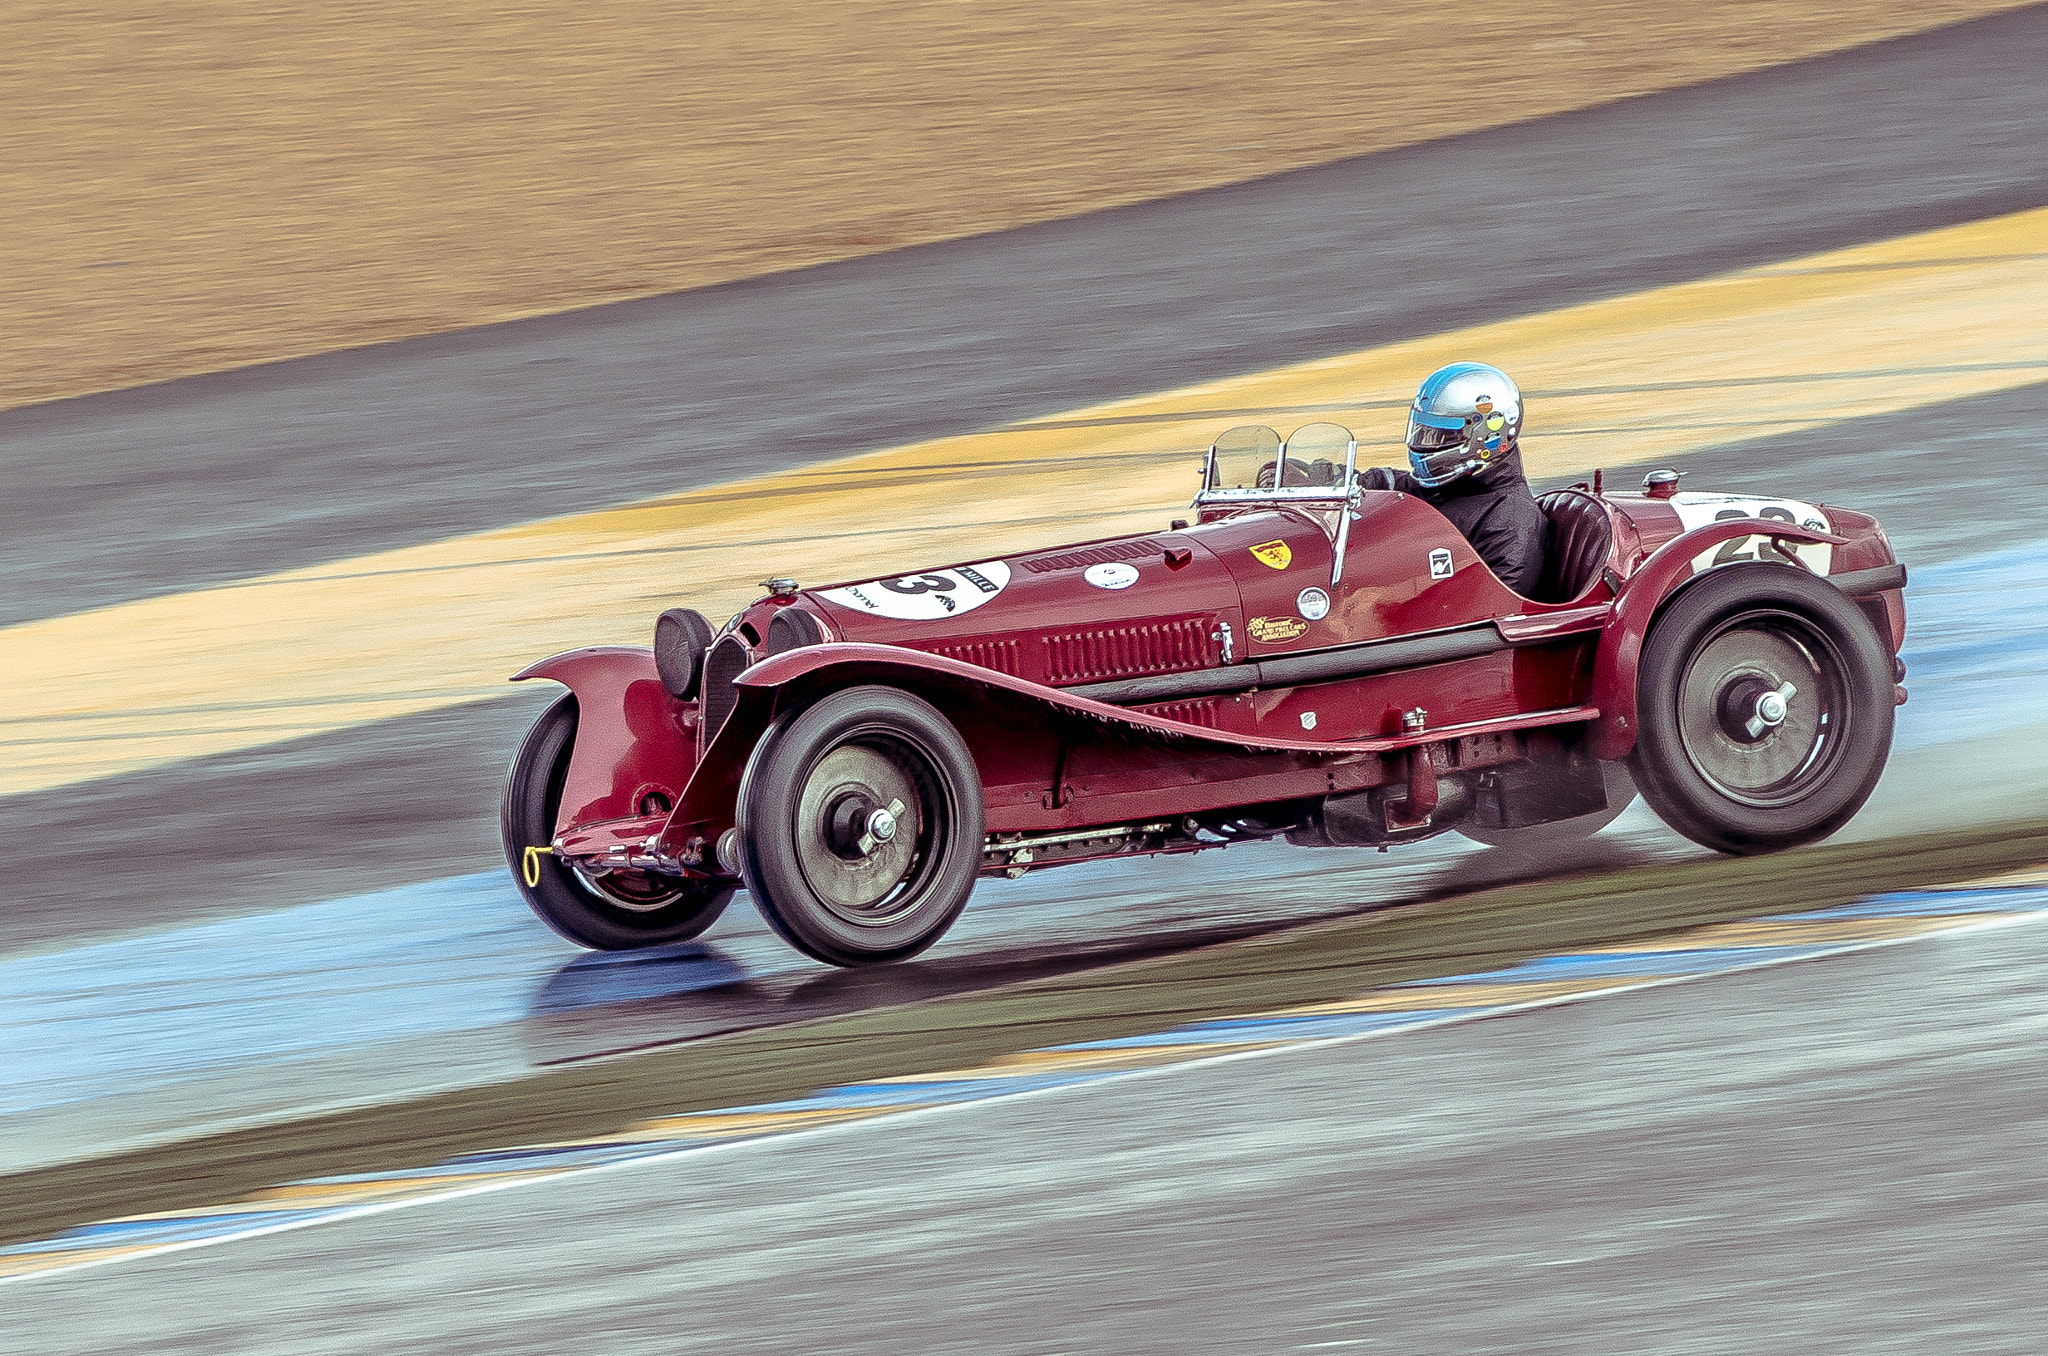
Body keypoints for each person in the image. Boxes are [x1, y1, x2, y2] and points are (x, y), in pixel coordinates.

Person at [1359, 361, 1547, 596]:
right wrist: (1324, 476)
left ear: (1483, 437)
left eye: (1442, 435)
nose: (1427, 443)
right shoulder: (1450, 485)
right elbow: (1392, 484)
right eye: (1424, 431)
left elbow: (1496, 613)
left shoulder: (1512, 523)